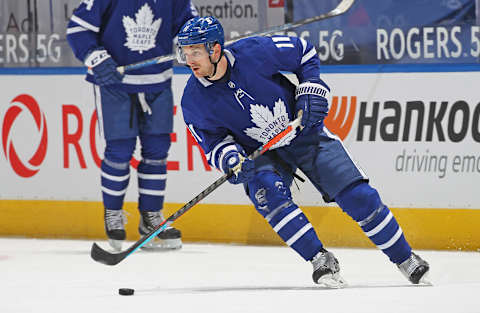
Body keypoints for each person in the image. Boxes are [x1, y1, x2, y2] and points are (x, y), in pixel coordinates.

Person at [177, 16, 430, 288]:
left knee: (358, 196)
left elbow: (304, 51)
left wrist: (311, 88)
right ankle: (320, 258)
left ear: (215, 49)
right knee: (267, 194)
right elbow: (212, 142)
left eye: (195, 51)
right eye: (184, 52)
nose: (189, 59)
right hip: (261, 152)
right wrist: (230, 159)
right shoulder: (192, 100)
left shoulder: (255, 52)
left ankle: (404, 258)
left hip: (302, 133)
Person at [66, 0, 198, 251]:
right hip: (116, 83)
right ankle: (113, 213)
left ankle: (151, 217)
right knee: (119, 151)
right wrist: (96, 57)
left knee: (158, 151)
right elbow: (78, 29)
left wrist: (190, 44)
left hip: (157, 80)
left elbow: (188, 25)